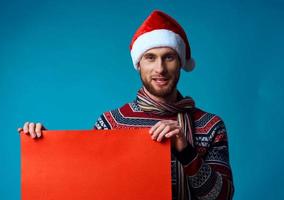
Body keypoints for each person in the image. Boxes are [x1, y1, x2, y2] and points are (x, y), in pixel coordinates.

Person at [19, 10, 234, 200]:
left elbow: (221, 197)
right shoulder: (111, 123)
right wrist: (46, 149)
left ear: (180, 63)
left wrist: (185, 150)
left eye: (169, 57)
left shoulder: (210, 125)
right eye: (150, 57)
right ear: (138, 64)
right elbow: (86, 188)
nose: (160, 68)